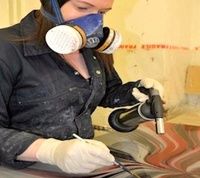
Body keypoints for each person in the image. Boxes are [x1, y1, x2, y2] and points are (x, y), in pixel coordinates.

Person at [0, 0, 164, 174]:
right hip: (19, 168)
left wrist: (135, 91)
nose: (95, 21)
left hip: (82, 164)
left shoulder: (91, 46)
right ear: (50, 5)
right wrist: (51, 151)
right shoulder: (6, 48)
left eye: (102, 12)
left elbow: (104, 91)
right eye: (83, 8)